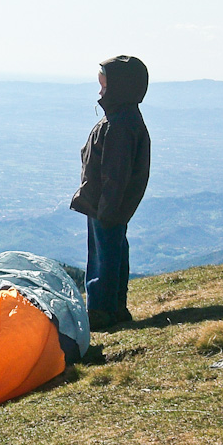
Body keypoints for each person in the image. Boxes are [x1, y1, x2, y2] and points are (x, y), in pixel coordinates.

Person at [70, 55, 150, 330]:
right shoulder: (123, 120)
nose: (100, 93)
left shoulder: (118, 126)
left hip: (107, 206)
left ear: (120, 88)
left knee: (103, 257)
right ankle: (115, 307)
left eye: (104, 88)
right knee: (114, 251)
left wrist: (106, 209)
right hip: (109, 205)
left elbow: (115, 174)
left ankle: (100, 311)